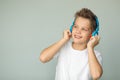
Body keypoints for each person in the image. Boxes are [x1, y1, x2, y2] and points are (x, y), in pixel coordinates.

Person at [40, 8, 103, 80]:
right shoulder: (63, 46)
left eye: (84, 29)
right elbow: (43, 58)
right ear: (71, 28)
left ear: (92, 34)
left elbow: (96, 75)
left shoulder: (95, 55)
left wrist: (90, 47)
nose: (78, 31)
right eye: (75, 26)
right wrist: (64, 39)